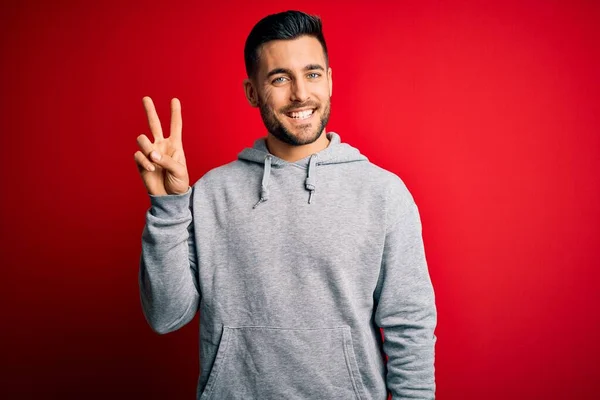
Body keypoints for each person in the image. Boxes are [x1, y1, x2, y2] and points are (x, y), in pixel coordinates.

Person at [134, 10, 437, 400]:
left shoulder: (382, 194)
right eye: (280, 78)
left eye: (312, 74)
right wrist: (169, 204)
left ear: (329, 81)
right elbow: (165, 317)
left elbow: (409, 326)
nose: (300, 94)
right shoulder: (210, 194)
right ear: (252, 92)